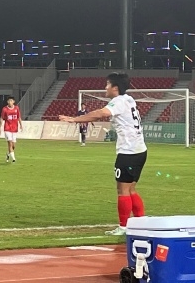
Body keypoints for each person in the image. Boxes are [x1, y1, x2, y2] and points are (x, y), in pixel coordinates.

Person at [59, 73, 146, 236]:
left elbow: (101, 113)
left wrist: (74, 119)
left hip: (128, 152)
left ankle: (123, 227)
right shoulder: (129, 99)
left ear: (115, 88)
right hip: (140, 150)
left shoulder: (119, 101)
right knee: (131, 189)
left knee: (122, 190)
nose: (105, 87)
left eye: (107, 84)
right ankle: (141, 223)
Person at [0, 97, 23, 163]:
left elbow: (19, 117)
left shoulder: (16, 108)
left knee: (13, 146)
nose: (10, 102)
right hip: (7, 128)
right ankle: (14, 159)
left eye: (11, 101)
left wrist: (21, 125)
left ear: (13, 101)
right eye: (8, 101)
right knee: (10, 143)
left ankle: (8, 154)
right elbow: (2, 118)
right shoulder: (4, 109)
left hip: (14, 129)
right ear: (7, 102)